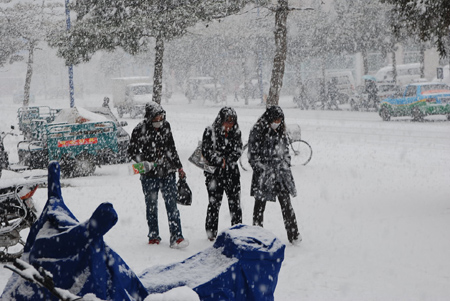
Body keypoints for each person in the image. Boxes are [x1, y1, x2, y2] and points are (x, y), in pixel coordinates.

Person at [128, 102, 189, 249]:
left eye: (161, 117)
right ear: (149, 117)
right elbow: (131, 151)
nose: (159, 120)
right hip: (149, 175)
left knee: (172, 205)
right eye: (156, 118)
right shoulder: (139, 130)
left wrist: (179, 167)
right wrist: (145, 161)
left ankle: (177, 236)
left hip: (167, 172)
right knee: (151, 206)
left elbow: (172, 148)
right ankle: (153, 235)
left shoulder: (166, 126)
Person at [247, 105, 301, 245]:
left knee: (286, 204)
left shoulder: (281, 131)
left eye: (280, 120)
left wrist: (285, 163)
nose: (277, 122)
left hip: (280, 174)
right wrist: (263, 169)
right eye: (275, 119)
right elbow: (252, 156)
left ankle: (294, 234)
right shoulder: (257, 130)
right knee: (260, 205)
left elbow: (286, 151)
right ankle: (257, 234)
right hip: (264, 175)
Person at [201, 107, 243, 241]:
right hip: (214, 175)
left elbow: (238, 150)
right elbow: (206, 151)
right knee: (214, 204)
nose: (229, 125)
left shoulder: (236, 132)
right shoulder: (210, 131)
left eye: (232, 122)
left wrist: (228, 160)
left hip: (232, 174)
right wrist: (220, 161)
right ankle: (211, 232)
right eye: (227, 121)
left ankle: (237, 230)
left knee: (235, 204)